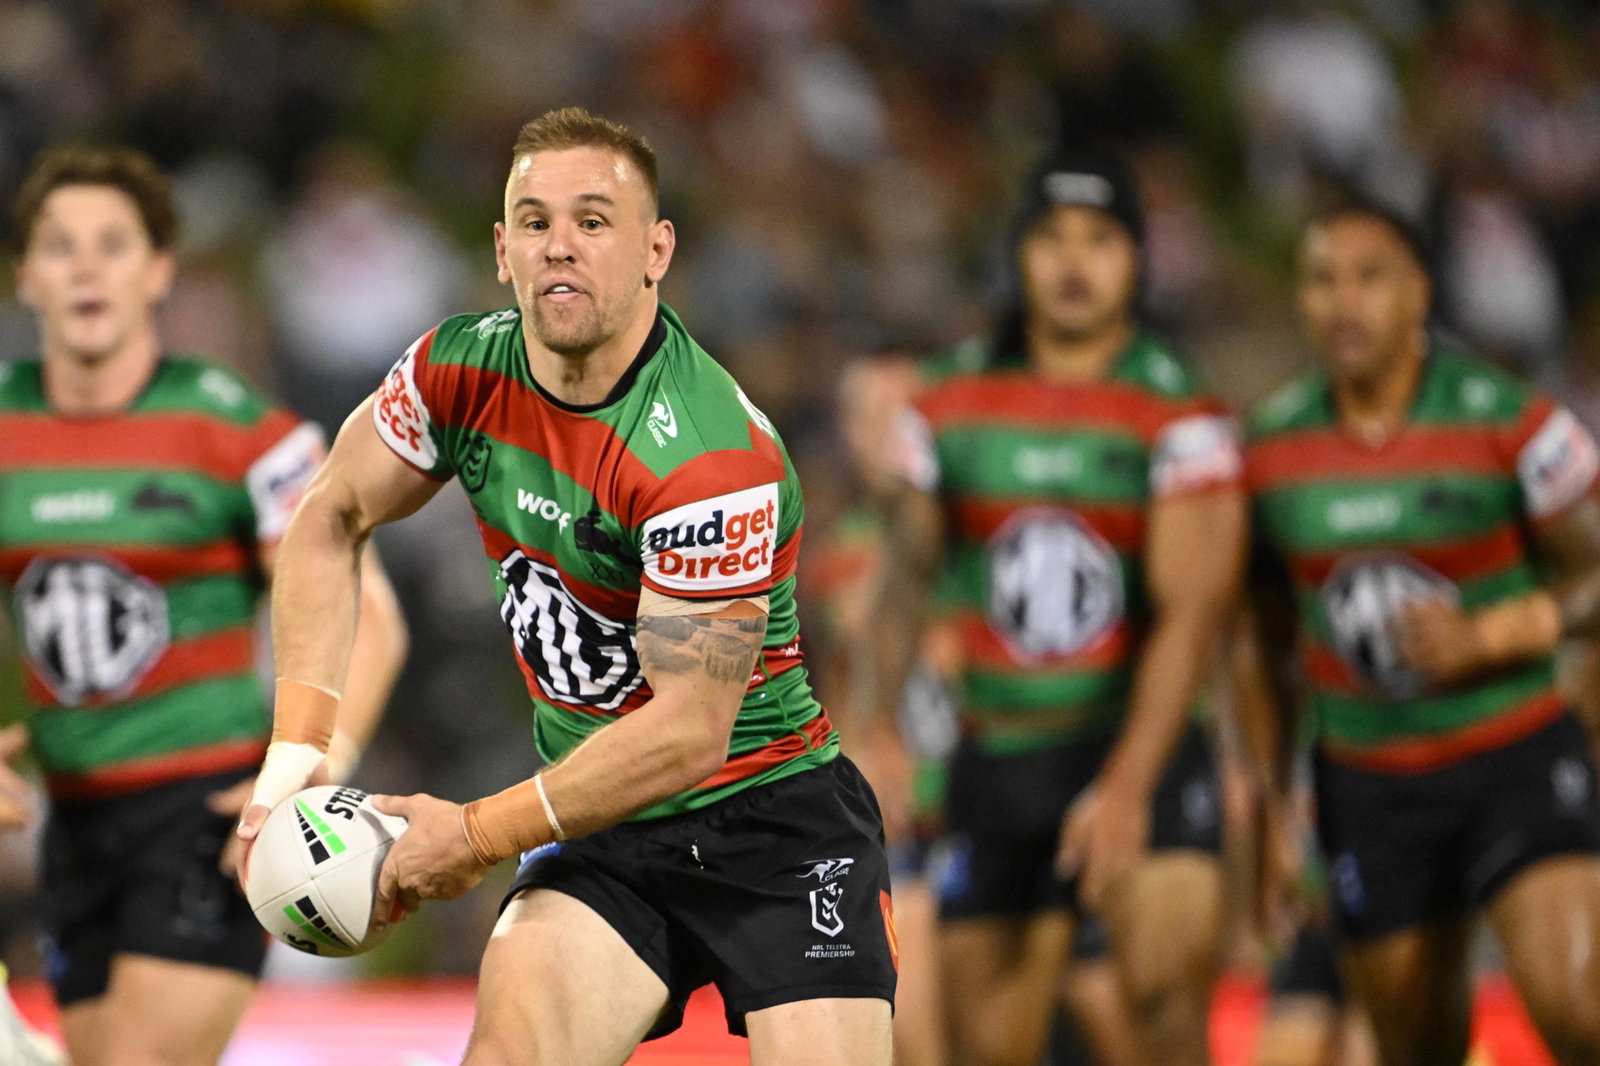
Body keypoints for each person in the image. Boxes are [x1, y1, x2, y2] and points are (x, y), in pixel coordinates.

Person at [236, 106, 897, 1066]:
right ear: (502, 250)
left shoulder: (707, 455)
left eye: (594, 221)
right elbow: (328, 519)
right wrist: (296, 756)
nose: (561, 247)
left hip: (775, 822)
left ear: (655, 249)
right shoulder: (455, 371)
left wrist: (471, 835)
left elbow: (687, 733)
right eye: (536, 222)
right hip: (604, 829)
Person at [0, 145, 409, 1066]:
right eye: (60, 246)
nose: (88, 267)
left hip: (205, 815)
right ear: (25, 274)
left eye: (114, 243)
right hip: (72, 820)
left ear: (159, 270)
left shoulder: (232, 429)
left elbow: (367, 606)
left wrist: (318, 756)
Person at [871, 148, 1246, 1066]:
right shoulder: (949, 401)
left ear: (1138, 261)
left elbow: (1191, 615)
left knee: (1163, 1009)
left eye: (1102, 240)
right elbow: (902, 576)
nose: (1075, 263)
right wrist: (871, 730)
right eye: (1052, 239)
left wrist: (1123, 786)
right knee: (983, 1048)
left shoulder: (1178, 412)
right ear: (1019, 255)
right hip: (998, 757)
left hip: (1142, 749)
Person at [1238, 201, 1600, 1066]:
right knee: (1413, 1046)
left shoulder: (1508, 419)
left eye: (1370, 277)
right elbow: (1259, 637)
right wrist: (1274, 795)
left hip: (1511, 755)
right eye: (1322, 280)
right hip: (1369, 786)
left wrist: (1505, 630)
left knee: (1578, 1009)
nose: (1344, 302)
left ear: (1419, 292)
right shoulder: (1269, 453)